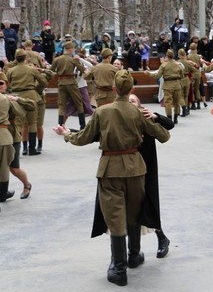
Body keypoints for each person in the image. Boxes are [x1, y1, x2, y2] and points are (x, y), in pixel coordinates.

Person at [53, 70, 171, 286]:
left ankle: (119, 268)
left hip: (111, 169)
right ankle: (134, 255)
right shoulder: (138, 112)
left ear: (115, 89)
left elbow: (83, 138)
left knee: (115, 217)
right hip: (136, 168)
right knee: (134, 212)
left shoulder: (103, 112)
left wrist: (66, 135)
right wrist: (151, 117)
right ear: (130, 90)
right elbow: (164, 136)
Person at [7, 49, 50, 156]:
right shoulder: (31, 69)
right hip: (32, 96)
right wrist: (36, 88)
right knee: (32, 122)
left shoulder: (11, 71)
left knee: (19, 124)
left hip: (16, 96)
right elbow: (43, 82)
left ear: (16, 59)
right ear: (25, 58)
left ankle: (19, 149)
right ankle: (32, 148)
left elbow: (7, 84)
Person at [0, 71, 35, 201]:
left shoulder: (10, 98)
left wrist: (17, 99)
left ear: (6, 84)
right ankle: (3, 192)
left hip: (12, 135)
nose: (0, 86)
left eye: (1, 83)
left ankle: (27, 184)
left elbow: (32, 106)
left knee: (14, 169)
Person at [146, 50, 183, 124]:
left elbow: (157, 75)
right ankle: (176, 118)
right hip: (177, 85)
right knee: (177, 102)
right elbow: (182, 75)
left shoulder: (164, 65)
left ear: (167, 56)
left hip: (167, 85)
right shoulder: (178, 64)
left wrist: (148, 73)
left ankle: (169, 118)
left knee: (168, 102)